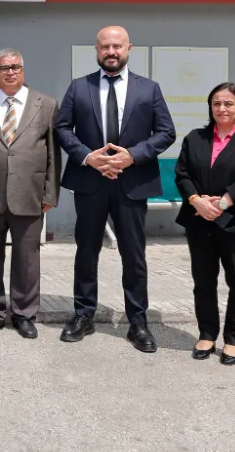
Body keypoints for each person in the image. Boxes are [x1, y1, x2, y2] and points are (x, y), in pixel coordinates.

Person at [54, 25, 175, 353]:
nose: (111, 51)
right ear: (96, 50)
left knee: (133, 255)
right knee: (86, 251)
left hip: (132, 183)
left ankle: (138, 321)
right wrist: (88, 157)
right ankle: (84, 314)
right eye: (105, 46)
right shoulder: (79, 87)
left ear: (128, 48)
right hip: (90, 182)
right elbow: (62, 128)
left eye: (117, 46)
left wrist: (131, 156)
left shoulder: (148, 89)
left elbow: (166, 132)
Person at [0, 48, 61, 339]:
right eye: (4, 68)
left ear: (23, 70)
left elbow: (53, 153)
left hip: (30, 194)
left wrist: (50, 193)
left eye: (15, 67)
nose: (10, 72)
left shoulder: (46, 104)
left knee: (27, 259)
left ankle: (24, 314)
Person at [174, 83, 235, 366]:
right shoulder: (195, 137)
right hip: (199, 220)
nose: (222, 108)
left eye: (228, 103)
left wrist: (221, 204)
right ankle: (207, 334)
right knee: (203, 281)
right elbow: (182, 174)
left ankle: (234, 339)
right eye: (216, 103)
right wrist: (197, 202)